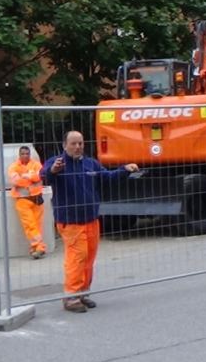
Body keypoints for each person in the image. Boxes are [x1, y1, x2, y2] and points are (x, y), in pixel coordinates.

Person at [41, 130, 139, 313]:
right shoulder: (57, 163)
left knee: (88, 258)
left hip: (91, 219)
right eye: (73, 143)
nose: (78, 147)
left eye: (80, 143)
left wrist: (124, 170)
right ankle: (71, 296)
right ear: (64, 145)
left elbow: (107, 177)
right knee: (77, 258)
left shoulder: (90, 163)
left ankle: (82, 293)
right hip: (71, 221)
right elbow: (45, 175)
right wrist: (53, 170)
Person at [8, 146, 46, 259]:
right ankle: (39, 247)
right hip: (22, 200)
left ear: (30, 155)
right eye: (23, 154)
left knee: (37, 225)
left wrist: (26, 176)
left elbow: (40, 176)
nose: (25, 156)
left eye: (27, 154)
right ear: (19, 155)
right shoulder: (13, 167)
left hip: (37, 199)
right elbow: (16, 181)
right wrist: (31, 178)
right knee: (30, 224)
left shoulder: (36, 164)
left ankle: (35, 248)